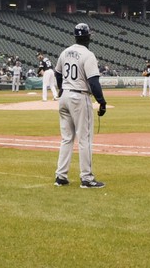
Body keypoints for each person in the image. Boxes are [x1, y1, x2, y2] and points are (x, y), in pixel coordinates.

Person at [53, 23, 107, 188]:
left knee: (67, 138)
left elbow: (58, 73)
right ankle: (87, 178)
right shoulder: (88, 54)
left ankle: (61, 176)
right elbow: (93, 82)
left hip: (65, 97)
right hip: (79, 96)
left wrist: (62, 88)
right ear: (87, 37)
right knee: (85, 139)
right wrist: (101, 101)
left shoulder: (65, 52)